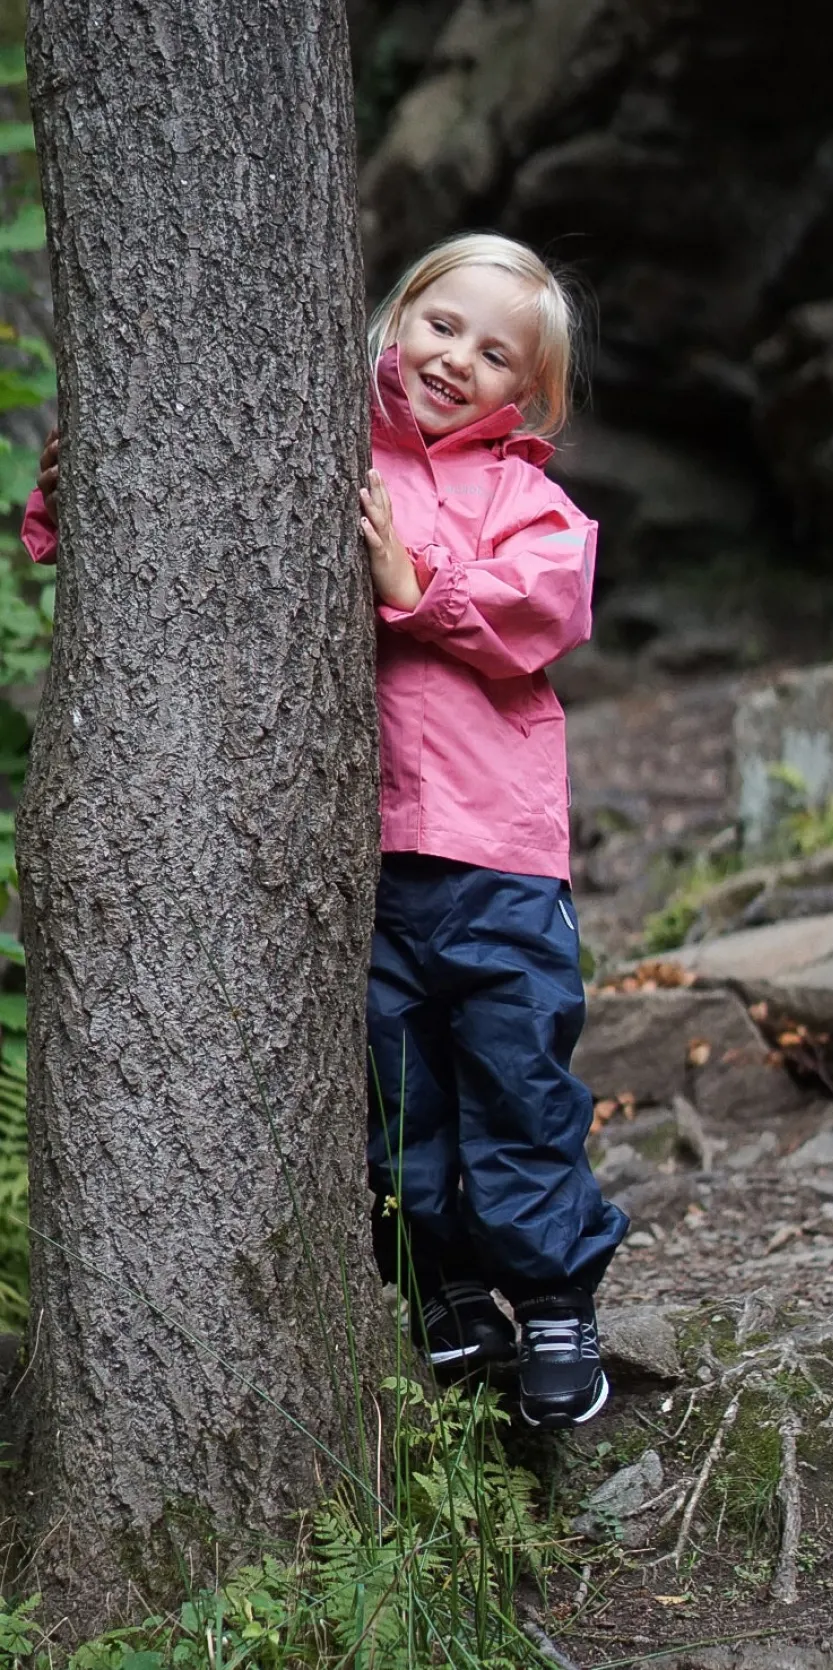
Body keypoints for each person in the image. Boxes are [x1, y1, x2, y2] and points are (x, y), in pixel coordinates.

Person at [22, 231, 628, 1431]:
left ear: (528, 393)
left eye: (494, 354)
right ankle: (444, 1284)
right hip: (362, 857)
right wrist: (78, 478)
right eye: (441, 324)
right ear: (397, 314)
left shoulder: (525, 499)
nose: (456, 358)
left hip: (499, 859)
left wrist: (421, 580)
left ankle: (556, 1299)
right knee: (390, 1094)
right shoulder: (319, 442)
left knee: (517, 1082)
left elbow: (547, 603)